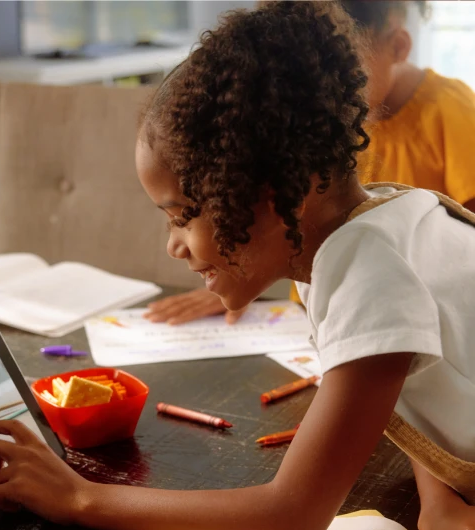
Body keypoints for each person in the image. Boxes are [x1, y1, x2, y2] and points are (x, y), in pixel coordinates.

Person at [0, 2, 475, 530]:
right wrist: (438, 505)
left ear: (272, 197)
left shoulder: (366, 271)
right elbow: (439, 389)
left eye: (184, 215)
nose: (173, 247)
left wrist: (79, 496)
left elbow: (287, 523)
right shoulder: (389, 218)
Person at [144, 0, 475, 322]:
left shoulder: (446, 113)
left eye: (326, 68)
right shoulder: (305, 133)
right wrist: (239, 274)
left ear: (398, 46)